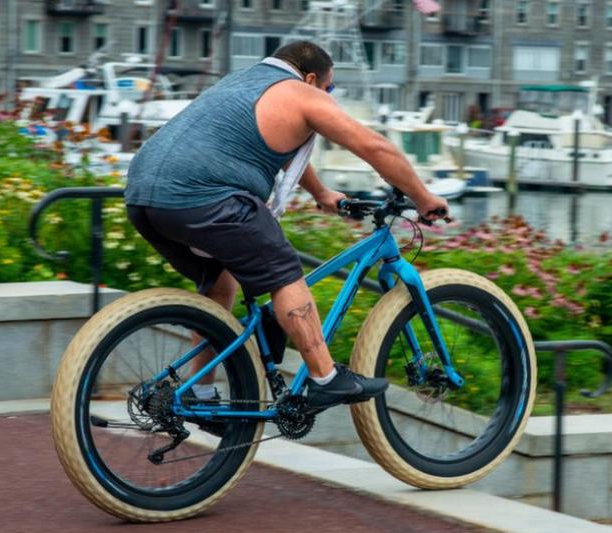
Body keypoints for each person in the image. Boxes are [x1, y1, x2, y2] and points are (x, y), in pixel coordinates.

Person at [124, 41, 450, 412]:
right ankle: (325, 379)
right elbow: (376, 148)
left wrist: (322, 192)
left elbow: (279, 144)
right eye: (328, 89)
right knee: (284, 273)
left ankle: (199, 392)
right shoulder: (301, 93)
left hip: (144, 197)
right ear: (311, 78)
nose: (328, 97)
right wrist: (424, 198)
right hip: (205, 196)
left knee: (220, 284)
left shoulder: (242, 82)